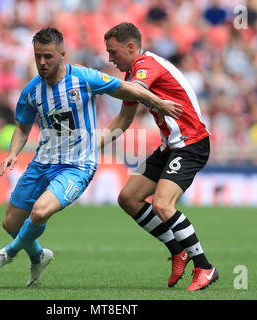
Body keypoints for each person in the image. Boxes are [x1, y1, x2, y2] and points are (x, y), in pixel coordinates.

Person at [0, 27, 183, 288]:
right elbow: (22, 127)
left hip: (78, 165)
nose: (42, 63)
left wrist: (157, 102)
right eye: (38, 57)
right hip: (42, 162)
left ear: (62, 55)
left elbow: (126, 89)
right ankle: (38, 257)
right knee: (10, 222)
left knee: (40, 211)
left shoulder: (84, 77)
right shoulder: (31, 91)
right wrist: (12, 153)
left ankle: (7, 254)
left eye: (48, 56)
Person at [100, 22, 218, 291]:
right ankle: (178, 250)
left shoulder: (146, 65)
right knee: (128, 198)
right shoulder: (134, 77)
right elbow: (123, 119)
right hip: (170, 147)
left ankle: (205, 267)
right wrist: (94, 146)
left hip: (191, 143)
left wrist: (94, 82)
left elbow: (137, 91)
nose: (110, 59)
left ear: (131, 47)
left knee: (163, 205)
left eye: (113, 52)